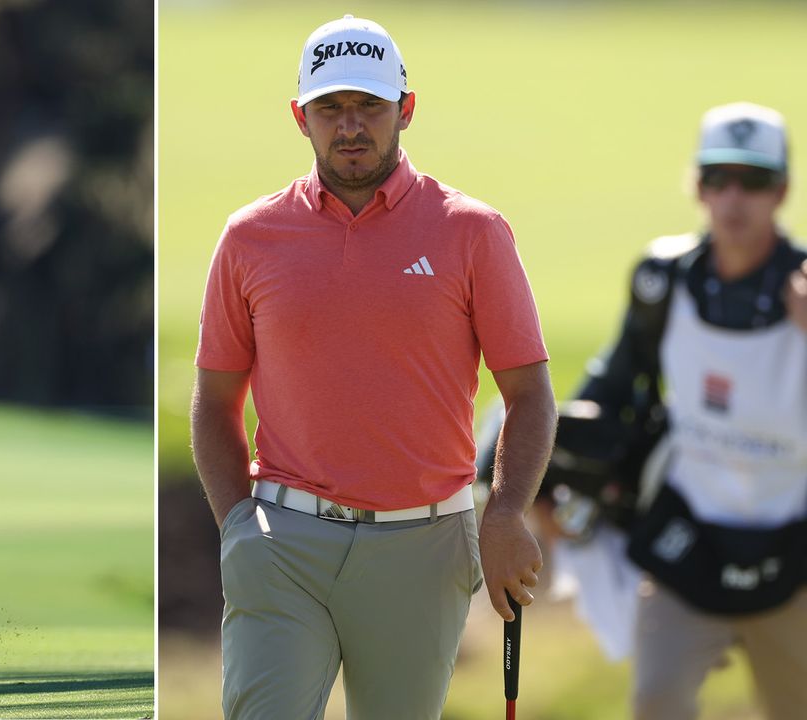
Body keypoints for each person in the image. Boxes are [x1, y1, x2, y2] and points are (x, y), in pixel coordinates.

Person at [190, 15, 557, 719]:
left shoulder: (471, 231)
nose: (350, 126)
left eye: (369, 107)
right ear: (301, 117)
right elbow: (213, 401)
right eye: (330, 108)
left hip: (423, 548)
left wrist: (507, 510)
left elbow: (529, 392)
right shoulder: (249, 237)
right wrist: (237, 526)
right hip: (281, 543)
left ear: (406, 110)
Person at [549, 102, 807, 720]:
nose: (734, 198)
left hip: (794, 555)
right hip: (684, 539)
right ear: (697, 185)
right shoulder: (663, 279)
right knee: (657, 700)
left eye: (754, 180)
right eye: (719, 178)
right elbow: (610, 387)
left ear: (782, 191)